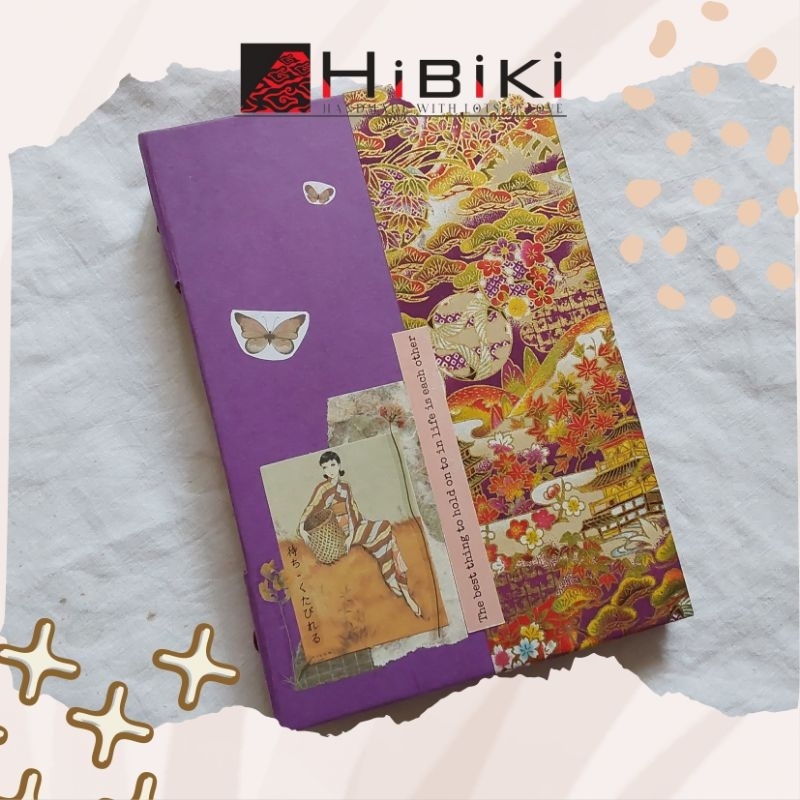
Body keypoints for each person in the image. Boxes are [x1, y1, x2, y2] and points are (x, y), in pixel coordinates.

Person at [298, 450, 422, 617]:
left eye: (333, 465)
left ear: (339, 465)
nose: (330, 470)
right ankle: (396, 583)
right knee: (384, 530)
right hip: (335, 531)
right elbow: (311, 507)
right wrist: (301, 527)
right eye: (325, 467)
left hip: (354, 526)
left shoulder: (345, 487)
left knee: (386, 533)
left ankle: (401, 587)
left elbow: (351, 510)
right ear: (323, 470)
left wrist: (351, 535)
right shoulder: (322, 488)